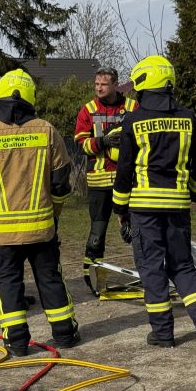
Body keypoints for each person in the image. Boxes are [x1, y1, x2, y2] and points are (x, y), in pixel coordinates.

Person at [112, 55, 196, 348]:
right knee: (183, 266)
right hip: (177, 206)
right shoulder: (188, 117)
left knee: (152, 268)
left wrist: (119, 208)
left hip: (144, 208)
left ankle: (163, 333)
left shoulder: (134, 120)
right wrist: (193, 191)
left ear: (143, 83)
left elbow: (125, 169)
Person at [0, 69, 78, 356]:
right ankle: (64, 334)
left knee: (8, 285)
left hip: (1, 235)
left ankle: (16, 342)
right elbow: (62, 183)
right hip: (42, 228)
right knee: (50, 279)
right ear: (29, 97)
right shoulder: (47, 131)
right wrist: (55, 214)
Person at [74, 66, 138, 294]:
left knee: (136, 231)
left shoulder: (132, 107)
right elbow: (81, 144)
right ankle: (93, 280)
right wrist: (103, 142)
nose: (99, 88)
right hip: (99, 183)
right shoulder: (88, 110)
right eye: (96, 84)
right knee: (96, 235)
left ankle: (149, 275)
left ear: (114, 85)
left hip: (127, 181)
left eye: (103, 84)